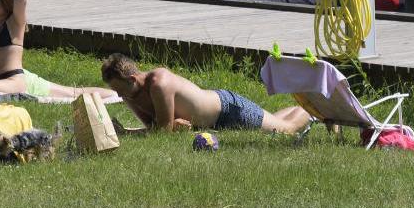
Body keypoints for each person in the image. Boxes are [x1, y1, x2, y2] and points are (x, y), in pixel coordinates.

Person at [100, 54, 310, 133]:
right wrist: (171, 126)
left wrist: (127, 132)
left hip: (229, 111)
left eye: (120, 90)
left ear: (133, 79)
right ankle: (303, 108)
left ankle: (313, 112)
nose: (119, 96)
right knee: (274, 120)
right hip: (215, 117)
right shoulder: (131, 93)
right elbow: (153, 127)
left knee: (288, 130)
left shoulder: (159, 83)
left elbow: (161, 132)